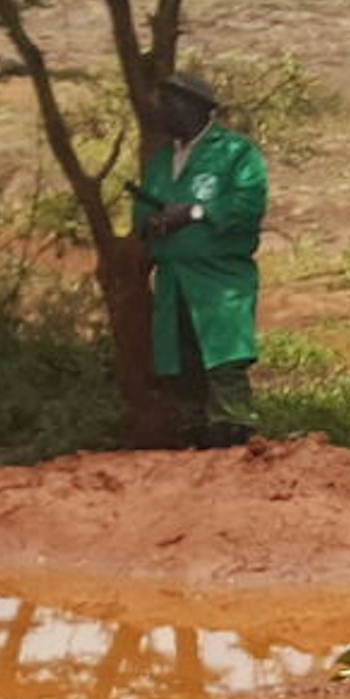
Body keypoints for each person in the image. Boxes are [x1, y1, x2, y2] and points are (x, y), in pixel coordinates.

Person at [132, 69, 268, 448]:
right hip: (174, 278)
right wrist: (154, 222)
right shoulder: (162, 161)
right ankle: (191, 436)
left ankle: (233, 432)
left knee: (223, 358)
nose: (162, 111)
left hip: (218, 276)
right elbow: (141, 214)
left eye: (169, 103)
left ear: (194, 108)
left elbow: (247, 204)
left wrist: (192, 213)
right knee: (180, 360)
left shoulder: (236, 154)